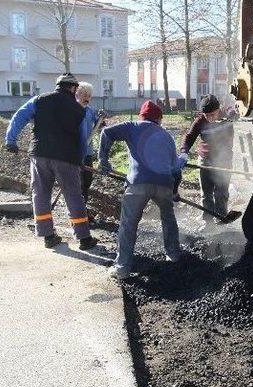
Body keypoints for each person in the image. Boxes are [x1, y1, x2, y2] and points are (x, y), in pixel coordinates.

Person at [5, 73, 98, 250]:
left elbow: (19, 116)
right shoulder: (80, 110)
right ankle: (84, 239)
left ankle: (48, 236)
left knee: (40, 195)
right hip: (66, 158)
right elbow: (83, 137)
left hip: (39, 155)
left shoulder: (39, 100)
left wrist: (11, 140)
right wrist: (81, 158)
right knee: (74, 196)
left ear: (58, 85)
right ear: (73, 88)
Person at [99, 100, 187, 279]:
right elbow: (176, 169)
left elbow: (106, 133)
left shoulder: (132, 126)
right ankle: (173, 255)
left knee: (128, 224)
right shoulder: (167, 136)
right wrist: (174, 191)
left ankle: (122, 268)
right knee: (168, 218)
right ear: (159, 119)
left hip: (138, 183)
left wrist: (103, 160)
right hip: (164, 184)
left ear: (142, 116)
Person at [180, 94, 234, 229]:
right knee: (207, 194)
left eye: (213, 114)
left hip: (224, 161)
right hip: (205, 161)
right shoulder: (200, 121)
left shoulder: (227, 116)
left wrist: (234, 113)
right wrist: (183, 152)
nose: (210, 118)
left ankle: (221, 220)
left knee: (221, 193)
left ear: (219, 109)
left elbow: (236, 111)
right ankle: (208, 221)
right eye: (206, 115)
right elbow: (189, 137)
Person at [76, 81, 105, 206]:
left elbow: (98, 127)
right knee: (76, 183)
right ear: (77, 94)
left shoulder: (90, 111)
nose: (87, 98)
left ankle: (83, 209)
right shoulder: (72, 110)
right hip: (74, 152)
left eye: (89, 95)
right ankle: (76, 211)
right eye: (84, 94)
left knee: (87, 181)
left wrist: (101, 120)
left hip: (87, 152)